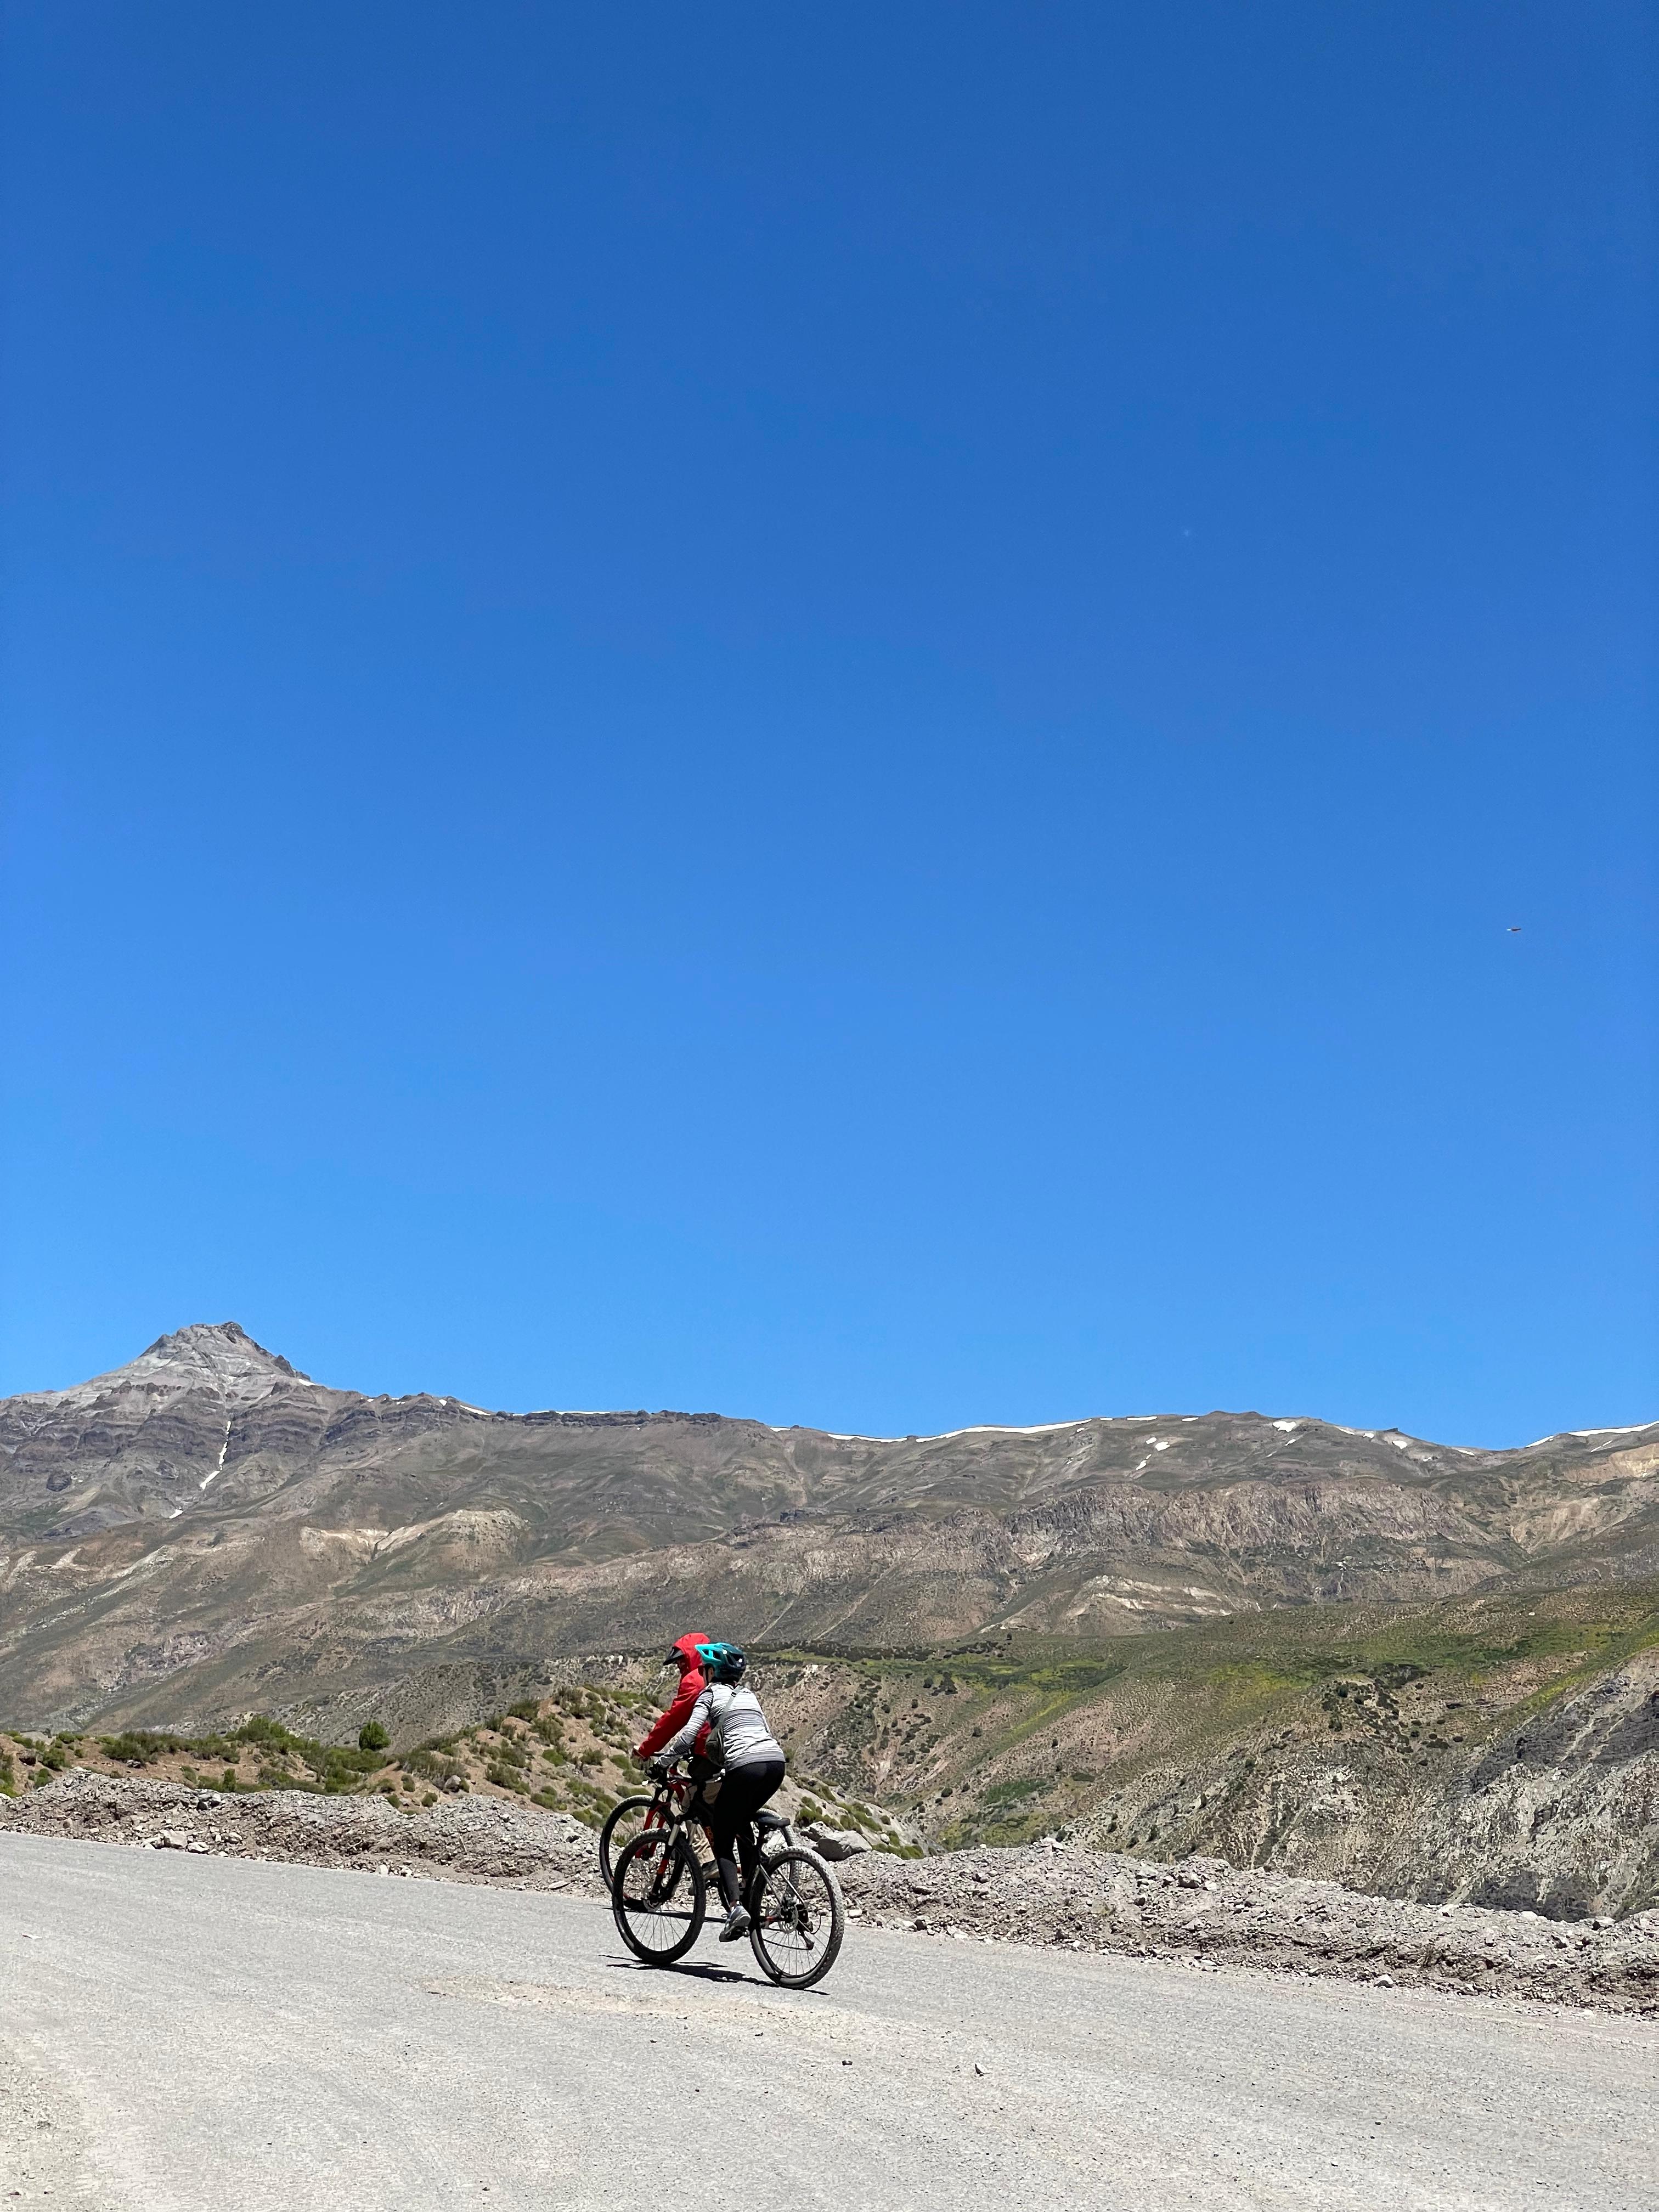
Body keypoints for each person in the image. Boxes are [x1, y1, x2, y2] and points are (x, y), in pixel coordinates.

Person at [647, 1642, 785, 1942]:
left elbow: (688, 1735)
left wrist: (663, 1761)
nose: (702, 1674)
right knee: (741, 1821)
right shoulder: (748, 1694)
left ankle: (735, 1908)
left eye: (704, 1670)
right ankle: (753, 1891)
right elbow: (756, 1731)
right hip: (775, 1764)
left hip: (745, 1766)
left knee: (722, 1836)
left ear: (711, 1672)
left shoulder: (708, 1694)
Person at [633, 1632, 714, 1765]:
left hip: (710, 1750)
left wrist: (645, 1750)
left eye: (681, 1660)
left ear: (692, 1656)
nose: (678, 1665)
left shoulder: (695, 1681)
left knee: (697, 1773)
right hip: (732, 1744)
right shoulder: (716, 1674)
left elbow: (674, 1720)